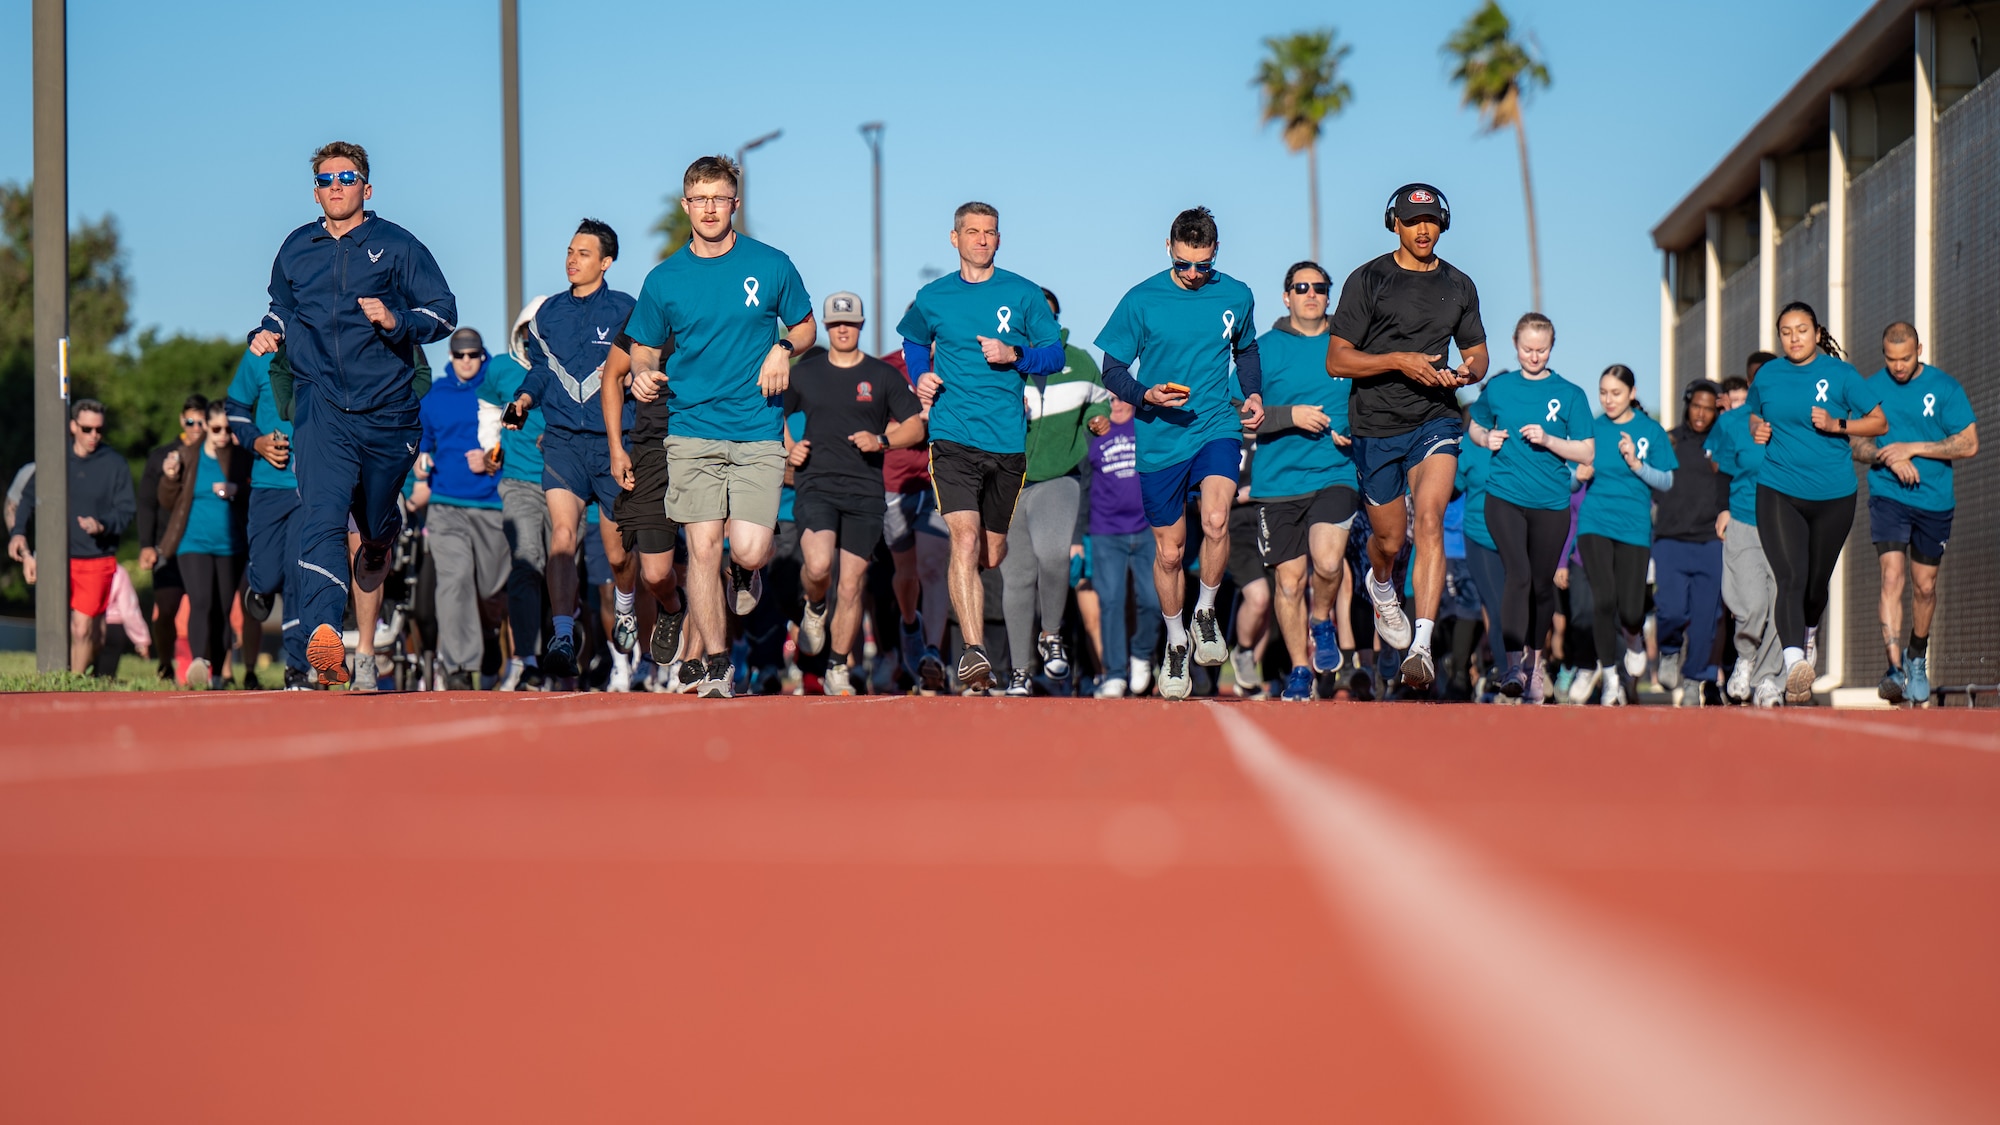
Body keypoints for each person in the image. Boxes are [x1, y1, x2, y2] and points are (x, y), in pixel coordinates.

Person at [249, 140, 458, 686]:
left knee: (373, 528)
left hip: (387, 411)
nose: (334, 187)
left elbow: (443, 314)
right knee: (320, 515)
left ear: (366, 187)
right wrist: (268, 331)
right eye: (324, 180)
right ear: (314, 190)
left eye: (345, 178)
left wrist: (396, 320)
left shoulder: (395, 245)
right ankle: (324, 632)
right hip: (321, 406)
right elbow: (280, 308)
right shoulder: (297, 247)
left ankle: (384, 535)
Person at [627, 155, 815, 699]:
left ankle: (746, 573)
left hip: (757, 427)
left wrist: (782, 347)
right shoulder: (665, 278)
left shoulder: (771, 264)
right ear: (686, 205)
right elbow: (642, 346)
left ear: (735, 204)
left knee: (750, 550)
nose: (710, 208)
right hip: (691, 428)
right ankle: (714, 663)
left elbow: (805, 326)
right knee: (702, 548)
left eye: (719, 198)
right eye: (699, 198)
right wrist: (642, 373)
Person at [1095, 207, 1263, 701]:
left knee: (1216, 520)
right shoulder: (1141, 299)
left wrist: (1250, 394)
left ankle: (1205, 613)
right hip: (1160, 438)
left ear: (1215, 256)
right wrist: (1145, 395)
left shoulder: (1236, 294)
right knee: (1169, 553)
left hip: (1214, 425)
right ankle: (1175, 643)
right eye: (1185, 264)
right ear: (1169, 248)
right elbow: (1113, 369)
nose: (1193, 275)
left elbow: (1247, 351)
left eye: (1203, 266)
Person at [1326, 184, 1488, 691]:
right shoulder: (1368, 279)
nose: (1423, 229)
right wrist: (1400, 361)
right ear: (1393, 222)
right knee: (1390, 541)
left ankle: (1421, 644)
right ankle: (1381, 586)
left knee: (1431, 519)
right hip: (1375, 424)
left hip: (1435, 418)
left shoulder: (1459, 285)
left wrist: (1466, 373)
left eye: (1432, 221)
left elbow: (1478, 353)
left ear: (1443, 225)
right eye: (1413, 220)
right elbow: (1337, 360)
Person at [898, 201, 1063, 692]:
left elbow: (1052, 354)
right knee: (963, 541)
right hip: (951, 436)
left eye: (990, 232)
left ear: (999, 238)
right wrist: (920, 375)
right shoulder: (934, 296)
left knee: (990, 553)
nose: (982, 240)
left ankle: (976, 637)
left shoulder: (1023, 293)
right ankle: (973, 653)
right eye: (972, 232)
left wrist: (1016, 353)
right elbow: (911, 340)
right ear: (955, 239)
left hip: (1007, 441)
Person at [505, 219, 639, 686]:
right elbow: (542, 371)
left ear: (606, 262)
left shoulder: (628, 311)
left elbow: (640, 370)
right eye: (569, 251)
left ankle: (624, 604)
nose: (572, 259)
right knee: (561, 536)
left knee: (618, 553)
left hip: (613, 445)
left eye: (583, 253)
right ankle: (563, 635)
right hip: (562, 441)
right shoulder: (547, 315)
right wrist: (523, 398)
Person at [785, 292, 926, 695]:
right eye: (835, 324)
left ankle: (837, 667)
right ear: (827, 327)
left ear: (860, 325)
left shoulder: (881, 376)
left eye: (850, 323)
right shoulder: (805, 373)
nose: (843, 329)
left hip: (865, 492)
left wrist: (882, 440)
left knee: (851, 585)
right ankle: (813, 606)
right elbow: (769, 412)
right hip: (816, 485)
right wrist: (786, 447)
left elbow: (915, 426)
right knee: (816, 567)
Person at [1747, 302, 1886, 704]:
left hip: (1833, 495)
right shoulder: (1769, 375)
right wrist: (1760, 429)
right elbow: (1756, 415)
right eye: (1786, 331)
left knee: (1814, 585)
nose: (1794, 338)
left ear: (1816, 331)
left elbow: (1879, 421)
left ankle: (1807, 638)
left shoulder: (1840, 374)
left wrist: (1838, 424)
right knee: (1789, 577)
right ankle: (1794, 665)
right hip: (1777, 488)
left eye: (1802, 330)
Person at [1466, 312, 1593, 698]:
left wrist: (1550, 440)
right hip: (1503, 497)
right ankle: (1510, 667)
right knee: (1517, 574)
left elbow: (1587, 450)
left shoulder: (1571, 394)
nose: (1534, 356)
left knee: (1540, 586)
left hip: (1550, 503)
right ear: (1515, 344)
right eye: (1527, 349)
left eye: (1541, 350)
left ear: (1551, 348)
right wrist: (1485, 438)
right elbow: (1474, 424)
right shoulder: (1500, 387)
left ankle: (1534, 665)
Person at [1854, 322, 1977, 705]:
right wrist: (1886, 457)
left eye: (1905, 358)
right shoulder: (1871, 388)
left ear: (1919, 349)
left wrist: (1913, 447)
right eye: (1891, 359)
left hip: (1934, 501)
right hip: (1889, 496)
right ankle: (1893, 669)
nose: (1898, 366)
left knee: (1925, 586)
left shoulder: (1944, 387)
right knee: (1892, 577)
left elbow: (1969, 443)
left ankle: (1916, 656)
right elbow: (1857, 444)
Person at [1251, 261, 1357, 702]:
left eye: (1319, 287)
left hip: (1336, 471)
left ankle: (1322, 620)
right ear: (1286, 296)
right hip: (1277, 481)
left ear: (1329, 295)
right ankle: (1298, 668)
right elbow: (1240, 410)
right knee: (1289, 583)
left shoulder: (1348, 345)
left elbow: (1372, 400)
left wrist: (1356, 428)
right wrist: (1289, 416)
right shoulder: (1263, 348)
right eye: (1301, 287)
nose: (1310, 293)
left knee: (1329, 564)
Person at [999, 287, 1112, 696]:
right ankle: (1019, 671)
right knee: (1017, 578)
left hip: (1058, 477)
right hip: (1008, 483)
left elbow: (1099, 400)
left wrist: (1098, 418)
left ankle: (1050, 634)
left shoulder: (1078, 360)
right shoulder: (1003, 362)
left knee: (1052, 554)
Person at [1572, 365, 1677, 706]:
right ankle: (1612, 677)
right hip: (1595, 523)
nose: (1608, 399)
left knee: (1631, 611)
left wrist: (1636, 465)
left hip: (1634, 527)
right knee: (1603, 602)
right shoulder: (1590, 429)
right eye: (1603, 392)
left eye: (1616, 393)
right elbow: (1570, 482)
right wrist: (1578, 475)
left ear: (1631, 393)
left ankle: (1633, 643)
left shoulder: (1650, 431)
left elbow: (1667, 482)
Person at [9, 400, 138, 673]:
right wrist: (18, 534)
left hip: (96, 557)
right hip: (56, 556)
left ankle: (73, 685)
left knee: (82, 629)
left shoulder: (115, 464)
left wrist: (102, 525)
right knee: (60, 626)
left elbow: (126, 510)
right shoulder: (55, 459)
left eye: (99, 430)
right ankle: (59, 676)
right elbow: (29, 499)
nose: (94, 436)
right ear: (73, 426)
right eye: (87, 429)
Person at [416, 327, 510, 691]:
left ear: (483, 355)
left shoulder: (497, 392)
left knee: (489, 590)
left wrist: (491, 459)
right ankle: (456, 667)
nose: (467, 361)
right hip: (446, 506)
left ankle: (489, 637)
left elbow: (515, 436)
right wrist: (422, 459)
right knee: (454, 581)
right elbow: (423, 440)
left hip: (492, 504)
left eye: (473, 354)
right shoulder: (434, 396)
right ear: (451, 357)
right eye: (460, 355)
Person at [602, 330, 687, 686]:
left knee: (712, 556)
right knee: (654, 575)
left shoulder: (721, 304)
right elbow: (612, 377)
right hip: (653, 450)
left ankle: (697, 662)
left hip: (710, 442)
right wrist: (616, 448)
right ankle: (672, 607)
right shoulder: (650, 312)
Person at [225, 348, 312, 688]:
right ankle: (258, 587)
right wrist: (256, 441)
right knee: (266, 575)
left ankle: (298, 667)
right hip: (266, 487)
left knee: (297, 572)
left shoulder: (326, 348)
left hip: (310, 486)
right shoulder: (261, 354)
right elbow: (235, 408)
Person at [155, 401, 252, 687]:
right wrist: (170, 477)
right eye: (217, 428)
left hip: (230, 545)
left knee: (223, 609)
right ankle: (199, 661)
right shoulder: (187, 456)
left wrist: (237, 490)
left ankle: (221, 674)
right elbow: (167, 499)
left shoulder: (240, 458)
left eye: (228, 429)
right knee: (200, 601)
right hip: (192, 542)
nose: (223, 434)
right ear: (207, 427)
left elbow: (255, 491)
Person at [483, 297, 551, 690]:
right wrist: (489, 445)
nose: (535, 338)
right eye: (530, 330)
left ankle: (565, 656)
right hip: (518, 482)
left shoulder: (565, 370)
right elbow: (488, 408)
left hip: (566, 485)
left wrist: (557, 437)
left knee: (563, 573)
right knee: (527, 561)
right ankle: (524, 659)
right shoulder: (501, 368)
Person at [1652, 379, 1730, 707]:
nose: (1701, 413)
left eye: (1708, 408)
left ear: (1717, 411)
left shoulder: (1723, 446)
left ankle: (1693, 679)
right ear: (1687, 404)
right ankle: (1669, 652)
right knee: (1669, 610)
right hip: (1670, 540)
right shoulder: (1668, 441)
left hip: (1710, 543)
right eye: (1696, 405)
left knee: (1705, 620)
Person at [1080, 393, 1160, 697]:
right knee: (1111, 602)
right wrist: (1078, 536)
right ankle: (1113, 673)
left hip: (1147, 529)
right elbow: (1084, 483)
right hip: (1105, 532)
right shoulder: (1093, 431)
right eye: (1111, 399)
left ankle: (1141, 654)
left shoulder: (1145, 425)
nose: (1118, 404)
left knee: (1153, 600)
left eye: (1123, 398)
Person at [137, 395, 209, 682]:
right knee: (166, 609)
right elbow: (146, 503)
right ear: (182, 420)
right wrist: (146, 545)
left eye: (202, 422)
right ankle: (165, 663)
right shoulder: (161, 456)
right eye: (190, 421)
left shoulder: (215, 455)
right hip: (168, 546)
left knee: (209, 606)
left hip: (204, 545)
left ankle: (216, 669)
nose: (196, 427)